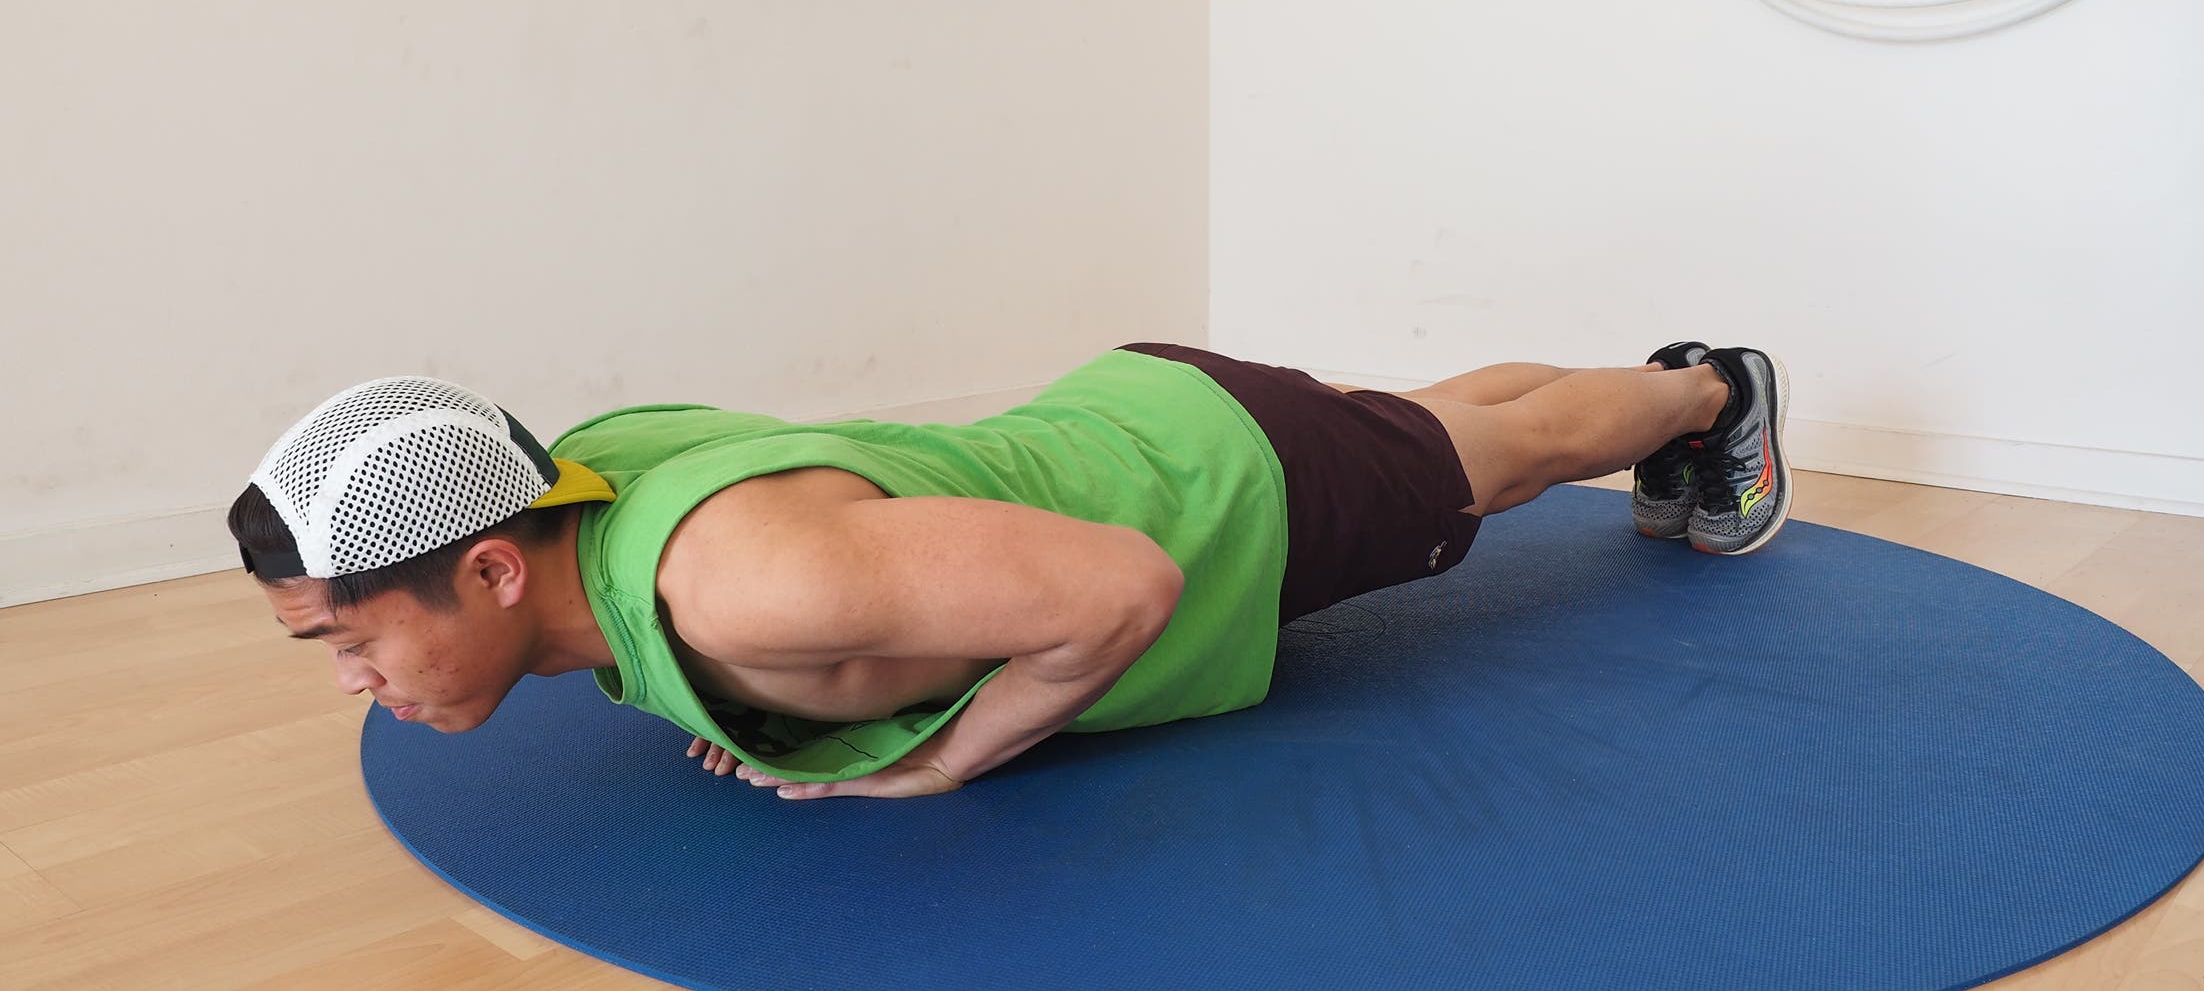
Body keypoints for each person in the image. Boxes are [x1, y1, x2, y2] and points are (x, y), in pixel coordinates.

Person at [227, 340, 1789, 801]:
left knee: (1481, 469)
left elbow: (1123, 591)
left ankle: (1705, 390)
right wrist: (791, 710)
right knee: (1426, 426)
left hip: (1220, 491)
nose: (354, 680)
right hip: (1122, 416)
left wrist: (933, 766)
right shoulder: (587, 464)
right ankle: (1575, 385)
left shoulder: (742, 586)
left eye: (345, 637)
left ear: (493, 568)